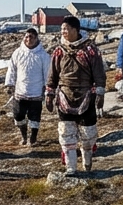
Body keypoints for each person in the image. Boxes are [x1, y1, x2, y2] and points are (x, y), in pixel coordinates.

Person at [45, 16, 107, 175]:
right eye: (62, 30)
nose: (63, 32)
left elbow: (99, 74)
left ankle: (87, 162)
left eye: (66, 29)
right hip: (65, 96)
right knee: (66, 133)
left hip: (86, 96)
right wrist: (49, 94)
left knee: (88, 135)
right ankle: (71, 168)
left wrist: (100, 92)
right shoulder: (59, 51)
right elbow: (52, 75)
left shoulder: (90, 50)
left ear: (76, 30)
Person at [4, 27, 49, 146]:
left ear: (36, 39)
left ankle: (33, 138)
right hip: (20, 92)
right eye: (27, 37)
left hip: (36, 93)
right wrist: (9, 84)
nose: (29, 39)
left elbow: (47, 74)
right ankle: (23, 135)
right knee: (18, 116)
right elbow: (12, 69)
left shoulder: (43, 56)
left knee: (34, 117)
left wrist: (47, 89)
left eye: (32, 37)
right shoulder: (17, 53)